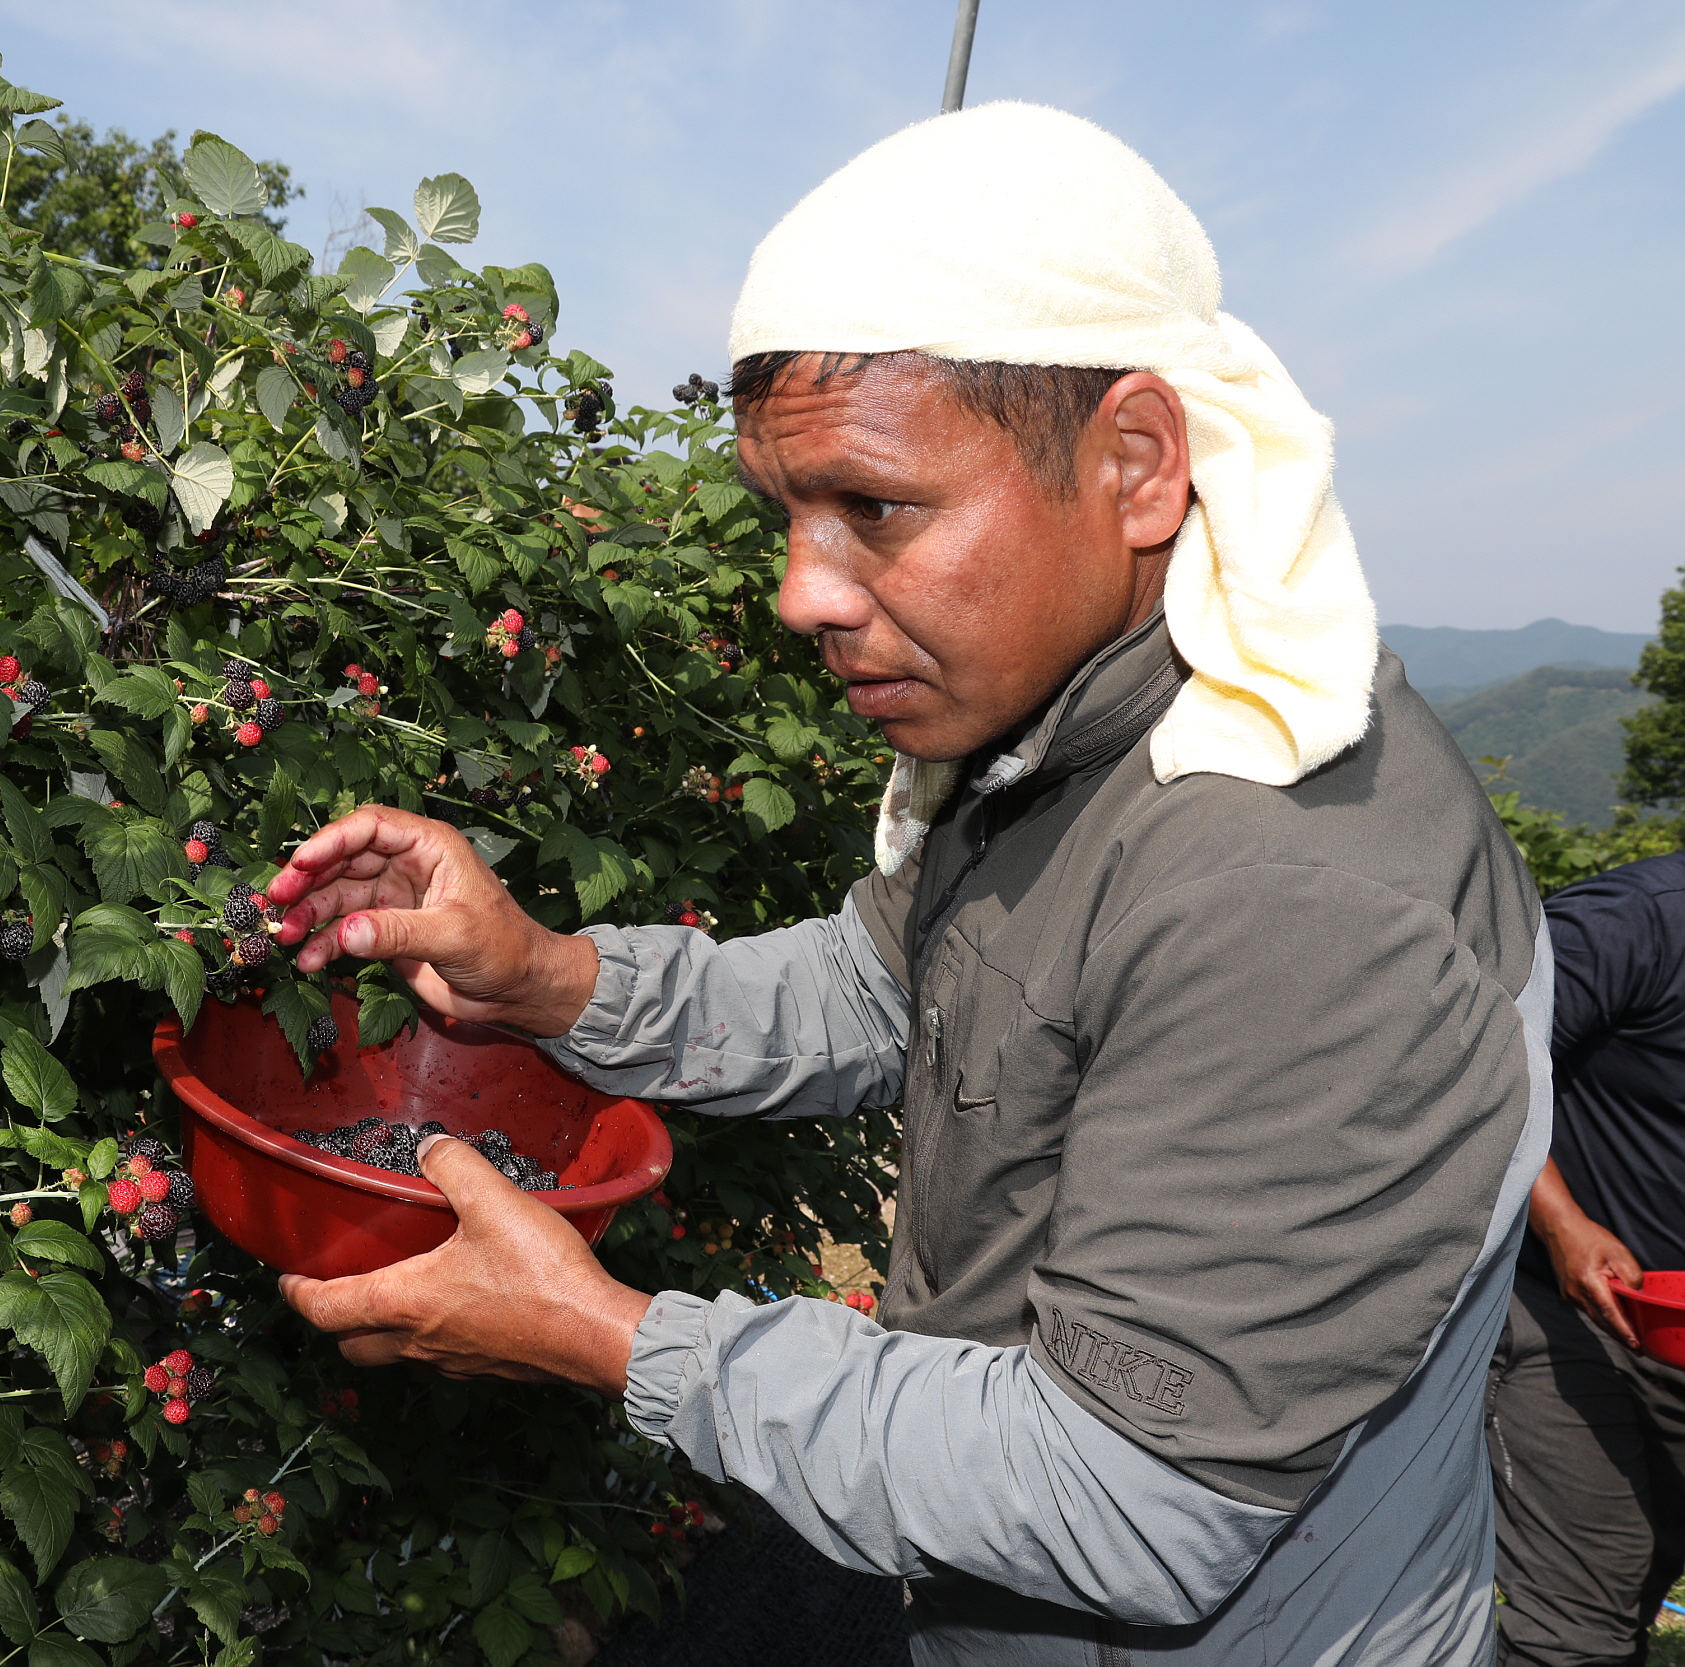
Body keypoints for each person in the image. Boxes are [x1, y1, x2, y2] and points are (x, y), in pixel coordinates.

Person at [262, 103, 1550, 1665]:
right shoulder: (1067, 734)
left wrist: (615, 1339)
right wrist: (545, 974)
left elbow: (1132, 1492)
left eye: (875, 508)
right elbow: (883, 981)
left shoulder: (1298, 895)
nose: (804, 590)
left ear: (1135, 463)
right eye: (785, 515)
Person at [1490, 850, 1685, 1666]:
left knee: (1644, 1569)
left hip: (1671, 1333)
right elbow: (1478, 1046)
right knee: (1577, 1626)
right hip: (1566, 1310)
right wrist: (1562, 1219)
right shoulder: (1640, 921)